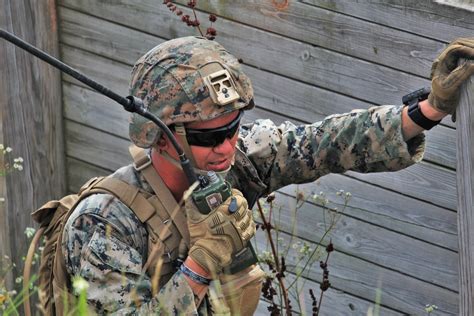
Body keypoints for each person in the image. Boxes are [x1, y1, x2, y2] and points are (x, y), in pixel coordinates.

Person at [61, 36, 474, 314]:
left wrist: (428, 110)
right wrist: (200, 265)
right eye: (209, 136)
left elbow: (323, 143)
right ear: (161, 136)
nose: (226, 146)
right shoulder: (104, 223)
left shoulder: (235, 159)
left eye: (233, 127)